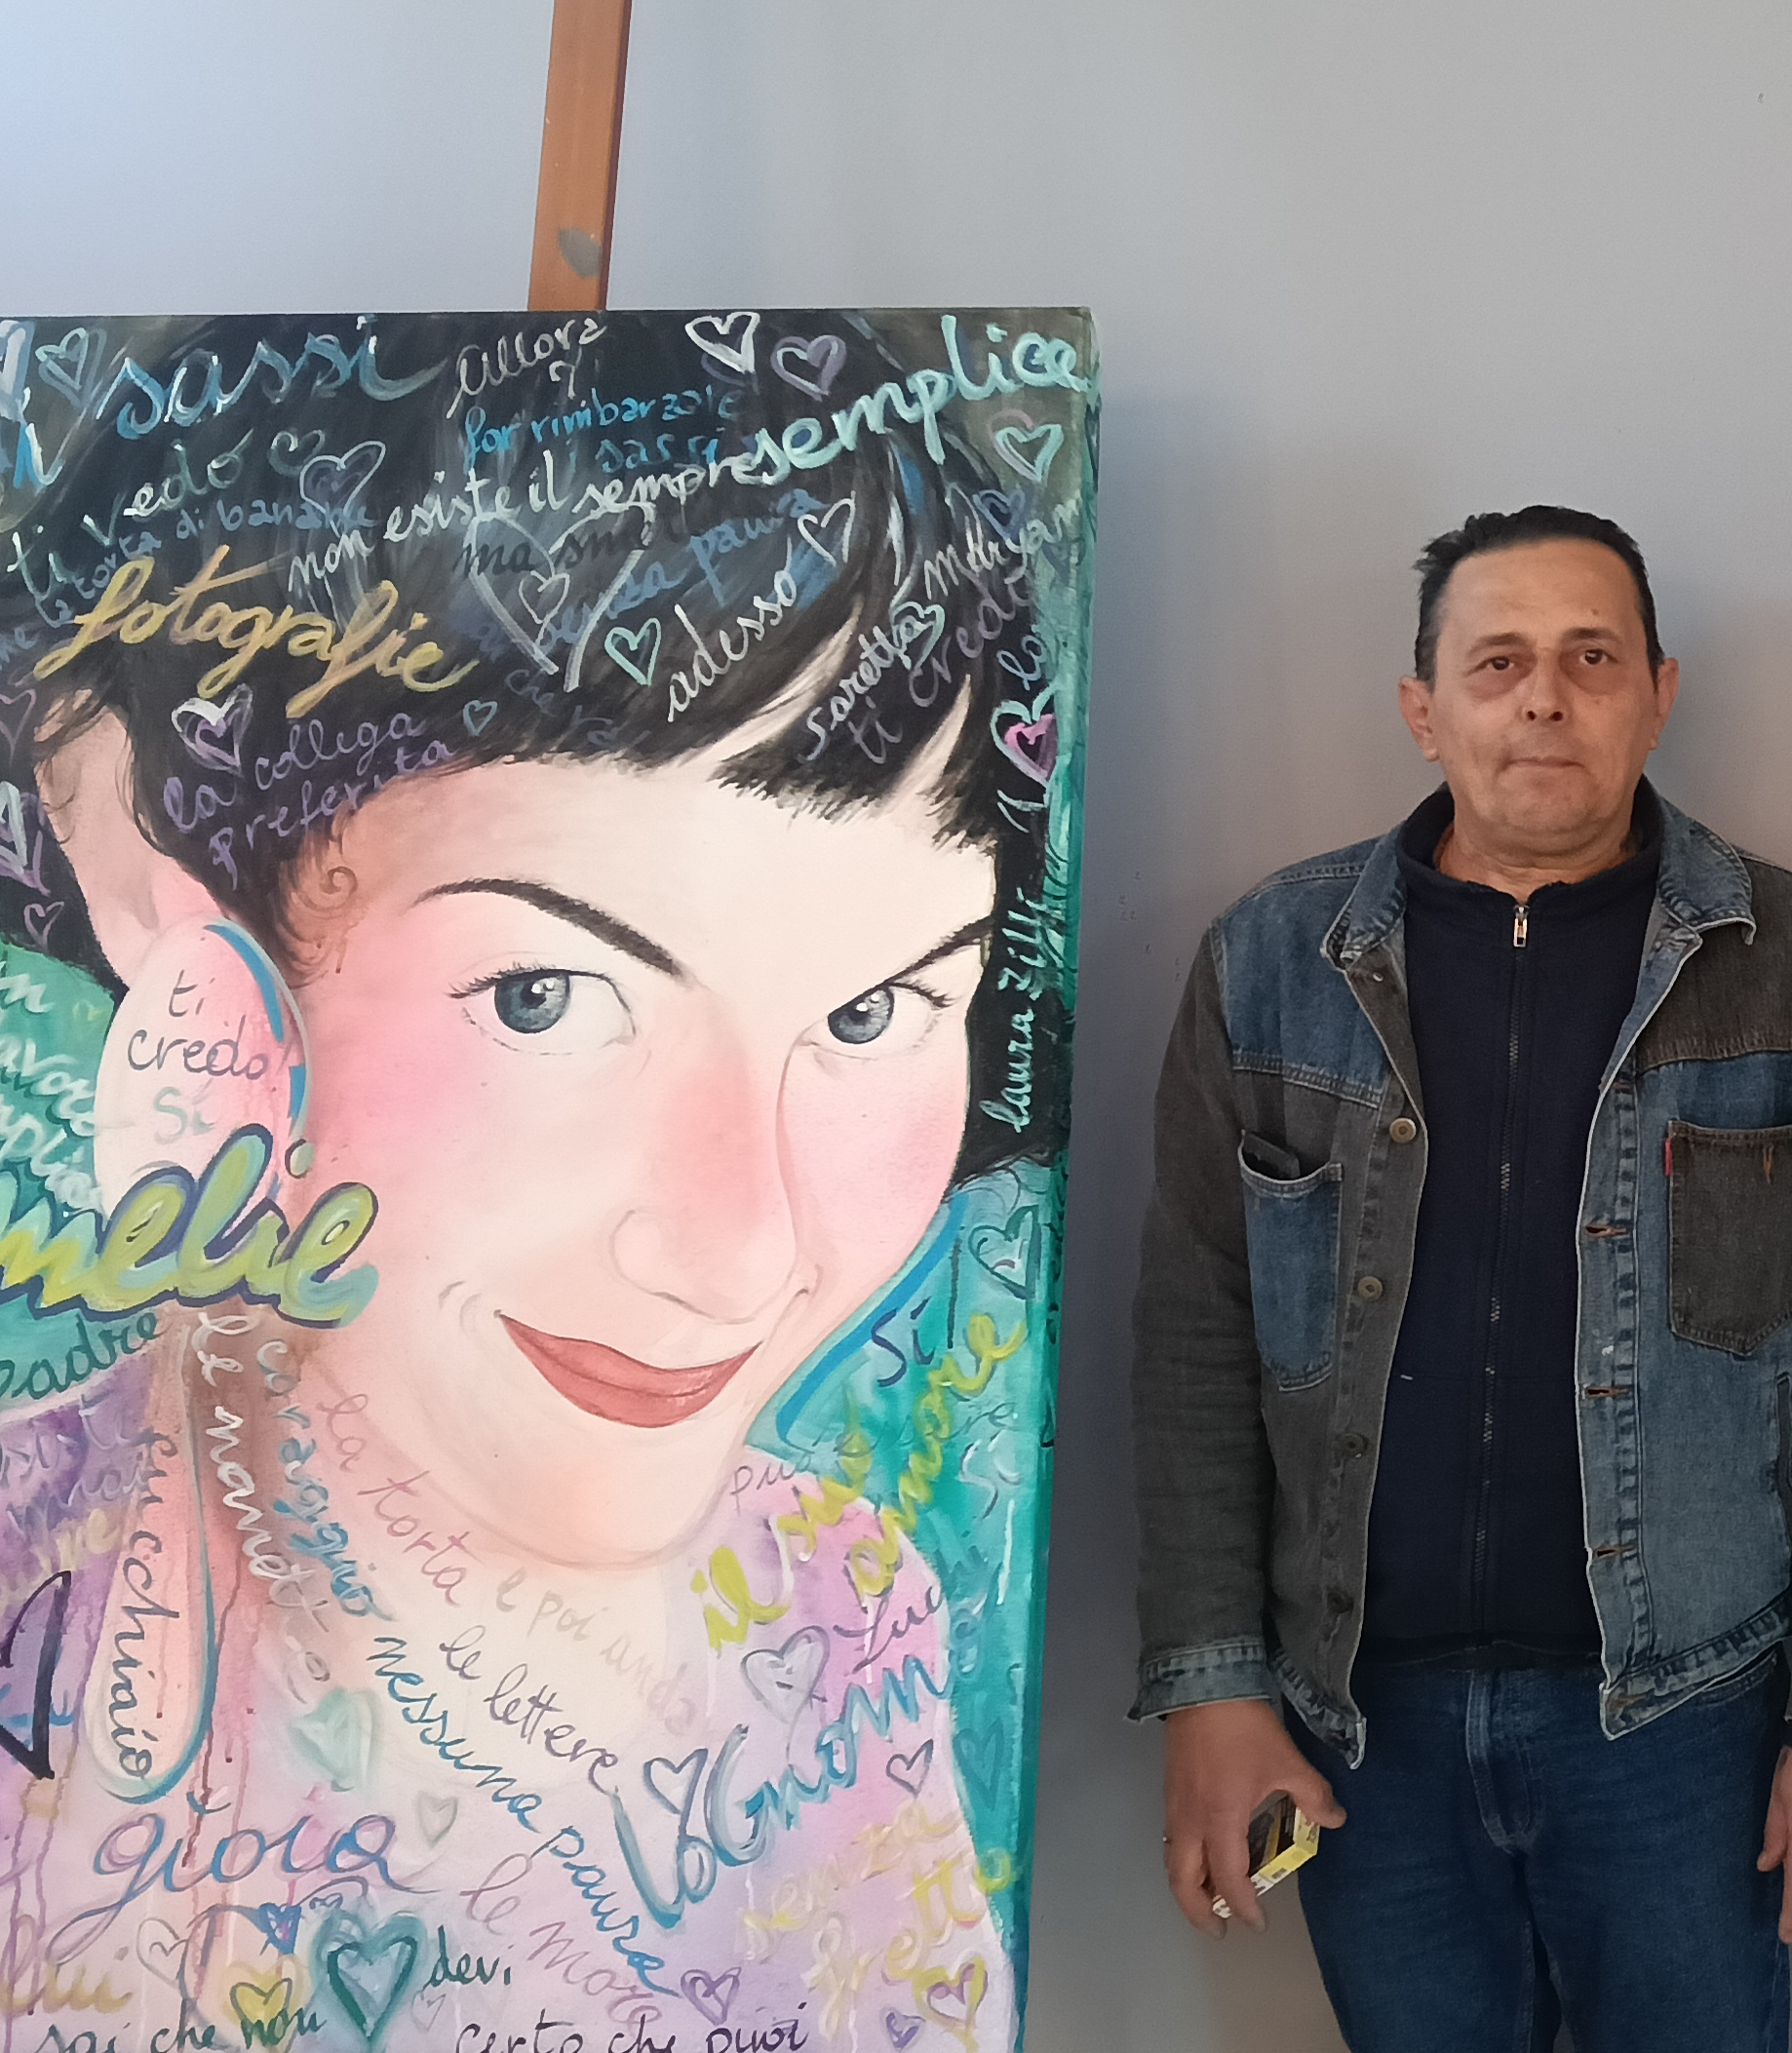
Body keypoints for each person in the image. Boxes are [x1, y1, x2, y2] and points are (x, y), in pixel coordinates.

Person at [0, 311, 1073, 2042]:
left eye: (874, 1013)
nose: (737, 1252)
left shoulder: (841, 1615)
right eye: (545, 997)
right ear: (154, 869)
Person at [1133, 506, 1792, 2052]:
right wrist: (1213, 1693)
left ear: (1659, 692)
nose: (1546, 701)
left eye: (1593, 658)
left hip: (1685, 1719)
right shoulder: (1269, 965)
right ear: (1422, 707)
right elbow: (1192, 1344)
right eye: (1497, 662)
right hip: (1361, 1723)